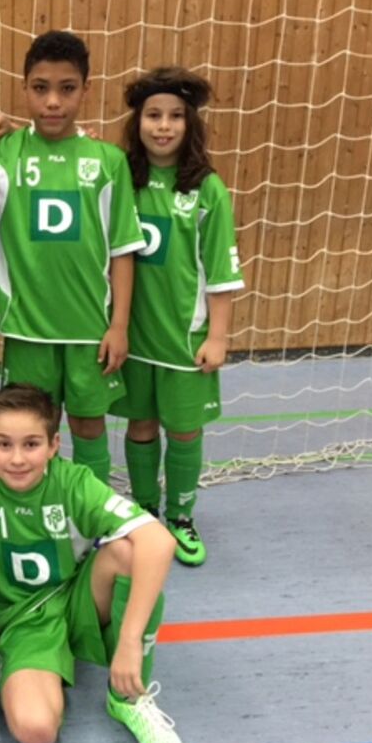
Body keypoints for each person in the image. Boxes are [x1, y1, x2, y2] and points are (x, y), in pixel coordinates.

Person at [0, 384, 191, 743]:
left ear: (53, 445)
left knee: (130, 552)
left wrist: (129, 642)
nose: (17, 458)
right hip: (24, 622)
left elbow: (159, 541)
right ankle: (20, 664)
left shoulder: (73, 482)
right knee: (37, 733)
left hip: (78, 597)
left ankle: (129, 698)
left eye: (31, 444)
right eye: (4, 444)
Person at [0, 30, 145, 485]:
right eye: (40, 88)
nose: (53, 101)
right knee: (32, 428)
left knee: (88, 425)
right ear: (24, 88)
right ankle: (42, 505)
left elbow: (122, 250)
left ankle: (93, 511)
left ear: (86, 90)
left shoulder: (108, 161)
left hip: (90, 328)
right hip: (27, 329)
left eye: (67, 88)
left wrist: (119, 326)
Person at [109, 67, 245, 566]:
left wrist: (218, 336)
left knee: (184, 431)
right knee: (141, 425)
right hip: (133, 337)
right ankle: (145, 510)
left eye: (174, 117)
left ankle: (181, 516)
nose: (163, 126)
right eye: (153, 115)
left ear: (190, 124)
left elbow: (220, 272)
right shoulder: (122, 179)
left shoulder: (207, 189)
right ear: (137, 122)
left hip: (185, 342)